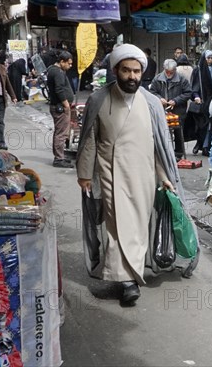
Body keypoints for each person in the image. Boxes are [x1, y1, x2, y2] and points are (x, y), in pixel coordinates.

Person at [76, 44, 185, 306]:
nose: (132, 76)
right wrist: (84, 174)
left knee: (137, 226)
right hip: (110, 171)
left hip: (144, 175)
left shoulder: (151, 103)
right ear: (116, 71)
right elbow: (89, 138)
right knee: (116, 224)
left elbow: (158, 145)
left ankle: (127, 273)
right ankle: (127, 280)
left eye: (136, 71)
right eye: (126, 70)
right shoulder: (99, 99)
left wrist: (164, 175)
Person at [149, 59, 192, 159]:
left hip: (178, 110)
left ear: (175, 70)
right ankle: (165, 154)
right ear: (164, 69)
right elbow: (152, 92)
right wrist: (160, 99)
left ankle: (178, 154)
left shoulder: (182, 79)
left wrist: (176, 100)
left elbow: (188, 93)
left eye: (171, 72)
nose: (169, 74)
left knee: (178, 133)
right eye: (167, 72)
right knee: (163, 132)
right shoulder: (157, 78)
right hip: (163, 110)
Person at [189, 50, 212, 155]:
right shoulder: (198, 71)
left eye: (211, 58)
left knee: (211, 125)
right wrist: (196, 96)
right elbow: (194, 86)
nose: (210, 60)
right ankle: (200, 143)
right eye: (208, 58)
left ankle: (206, 146)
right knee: (202, 125)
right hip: (202, 101)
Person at [47, 51, 75, 168]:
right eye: (68, 63)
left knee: (60, 132)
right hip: (60, 107)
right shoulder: (57, 72)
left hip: (58, 105)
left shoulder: (55, 70)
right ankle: (59, 158)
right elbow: (59, 89)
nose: (70, 66)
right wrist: (66, 105)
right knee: (61, 133)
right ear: (62, 61)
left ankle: (60, 156)